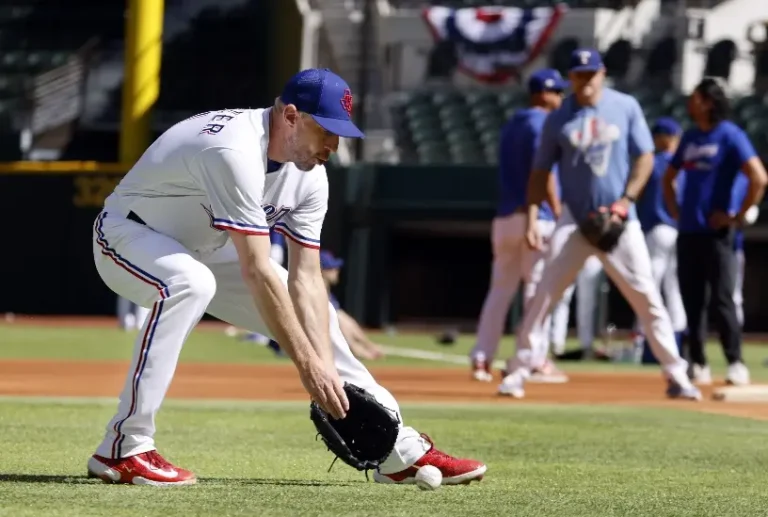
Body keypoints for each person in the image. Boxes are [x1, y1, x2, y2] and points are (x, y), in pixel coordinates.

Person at [87, 68, 486, 486]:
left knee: (322, 320)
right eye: (326, 131)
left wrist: (327, 365)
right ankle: (123, 446)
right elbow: (258, 270)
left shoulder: (310, 175)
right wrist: (308, 366)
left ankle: (398, 453)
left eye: (340, 134)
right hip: (130, 234)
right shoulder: (233, 150)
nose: (333, 145)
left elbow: (308, 279)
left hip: (207, 246)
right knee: (189, 284)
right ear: (291, 116)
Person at [498, 48, 700, 400]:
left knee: (647, 297)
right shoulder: (559, 116)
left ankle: (677, 374)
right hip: (574, 221)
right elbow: (540, 172)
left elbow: (645, 158)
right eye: (578, 74)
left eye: (590, 73)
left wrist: (626, 201)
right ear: (571, 77)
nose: (585, 80)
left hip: (620, 221)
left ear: (602, 73)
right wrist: (532, 216)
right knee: (543, 295)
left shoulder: (625, 107)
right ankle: (518, 371)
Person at [662, 77, 767, 386]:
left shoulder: (730, 135)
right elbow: (669, 177)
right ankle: (698, 362)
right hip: (689, 231)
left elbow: (758, 177)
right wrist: (675, 210)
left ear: (708, 101)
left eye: (695, 97)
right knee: (691, 299)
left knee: (722, 298)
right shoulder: (691, 137)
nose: (689, 101)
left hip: (717, 233)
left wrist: (736, 216)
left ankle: (735, 362)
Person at [469, 68, 568, 384]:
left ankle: (482, 357)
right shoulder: (543, 123)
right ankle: (533, 358)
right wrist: (556, 209)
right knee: (537, 291)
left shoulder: (512, 123)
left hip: (505, 217)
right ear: (546, 94)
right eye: (558, 92)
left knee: (500, 291)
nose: (562, 99)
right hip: (534, 217)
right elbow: (543, 174)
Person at [632, 117, 687, 364]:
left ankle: (642, 340)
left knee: (648, 287)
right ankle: (676, 343)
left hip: (657, 230)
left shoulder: (652, 163)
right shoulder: (684, 166)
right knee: (674, 290)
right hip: (680, 230)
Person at [319, 250, 385, 361]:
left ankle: (367, 347)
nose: (336, 271)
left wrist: (368, 345)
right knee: (337, 318)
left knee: (342, 317)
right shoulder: (315, 291)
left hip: (323, 334)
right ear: (321, 270)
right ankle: (355, 350)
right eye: (331, 268)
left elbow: (347, 321)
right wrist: (354, 347)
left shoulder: (328, 294)